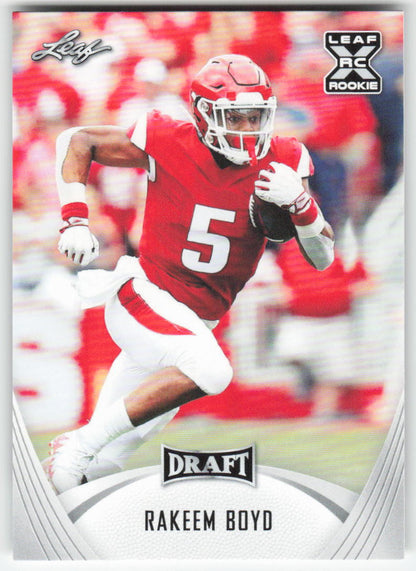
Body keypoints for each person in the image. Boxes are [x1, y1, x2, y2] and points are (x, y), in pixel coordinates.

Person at [46, 54, 335, 493]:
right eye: (234, 117)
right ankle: (78, 442)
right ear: (203, 113)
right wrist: (74, 219)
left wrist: (301, 204)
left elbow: (323, 258)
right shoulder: (169, 137)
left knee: (97, 467)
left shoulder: (285, 159)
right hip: (145, 295)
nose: (247, 128)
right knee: (211, 371)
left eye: (255, 116)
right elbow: (77, 139)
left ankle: (41, 506)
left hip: (194, 322)